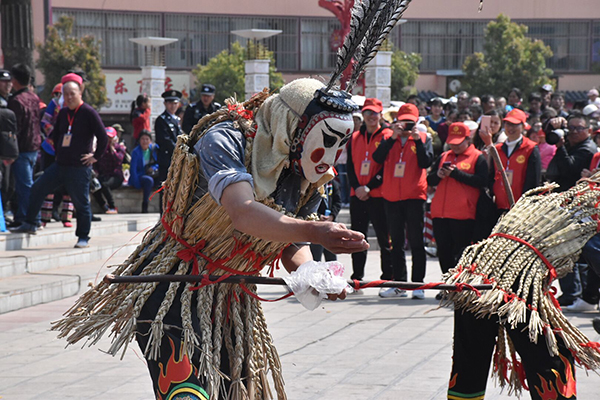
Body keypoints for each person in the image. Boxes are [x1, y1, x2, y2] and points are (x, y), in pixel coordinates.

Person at [11, 73, 108, 248]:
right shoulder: (63, 113)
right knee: (37, 188)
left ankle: (83, 236)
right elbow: (55, 135)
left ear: (80, 93)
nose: (69, 97)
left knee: (81, 203)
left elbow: (103, 137)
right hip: (60, 164)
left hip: (79, 167)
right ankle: (31, 222)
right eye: (66, 94)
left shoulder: (89, 113)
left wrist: (95, 157)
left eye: (72, 93)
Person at [373, 103, 433, 299]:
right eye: (403, 122)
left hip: (415, 196)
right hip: (391, 196)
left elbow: (426, 162)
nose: (406, 126)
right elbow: (377, 158)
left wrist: (417, 141)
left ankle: (418, 285)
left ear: (417, 123)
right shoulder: (388, 137)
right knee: (396, 242)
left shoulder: (423, 138)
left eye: (410, 122)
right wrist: (392, 138)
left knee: (416, 242)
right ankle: (399, 284)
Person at [546, 112, 598, 307]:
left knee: (569, 249)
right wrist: (554, 122)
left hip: (577, 206)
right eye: (571, 128)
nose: (573, 132)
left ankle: (573, 293)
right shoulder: (574, 144)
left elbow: (568, 168)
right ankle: (574, 293)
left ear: (589, 131)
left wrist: (560, 147)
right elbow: (548, 131)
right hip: (567, 203)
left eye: (579, 128)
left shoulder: (587, 149)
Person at [427, 122, 488, 276]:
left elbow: (481, 181)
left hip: (464, 214)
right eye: (452, 143)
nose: (454, 147)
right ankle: (447, 285)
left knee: (461, 252)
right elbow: (430, 180)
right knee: (443, 251)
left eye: (459, 143)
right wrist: (438, 175)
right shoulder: (444, 156)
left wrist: (456, 174)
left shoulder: (477, 157)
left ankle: (460, 285)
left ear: (468, 140)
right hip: (440, 213)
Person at [347, 97, 393, 282]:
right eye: (367, 112)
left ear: (381, 115)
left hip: (378, 194)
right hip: (357, 194)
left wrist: (368, 187)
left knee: (384, 237)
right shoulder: (355, 136)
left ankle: (387, 276)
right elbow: (349, 166)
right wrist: (358, 187)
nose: (371, 116)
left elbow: (386, 167)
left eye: (374, 113)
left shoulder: (388, 136)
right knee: (357, 237)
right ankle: (357, 275)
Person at [6, 63, 42, 228]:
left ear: (14, 80)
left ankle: (32, 219)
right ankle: (23, 217)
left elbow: (16, 128)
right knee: (28, 185)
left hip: (22, 148)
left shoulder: (15, 101)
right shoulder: (34, 98)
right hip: (34, 147)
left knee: (25, 186)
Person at [487, 108, 541, 215]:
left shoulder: (530, 148)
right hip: (499, 206)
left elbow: (533, 180)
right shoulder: (497, 149)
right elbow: (491, 176)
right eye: (508, 124)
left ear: (523, 126)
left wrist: (525, 204)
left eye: (515, 125)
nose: (510, 128)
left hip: (520, 208)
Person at [92, 127, 126, 214]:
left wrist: (112, 150)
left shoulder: (119, 148)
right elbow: (95, 162)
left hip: (115, 176)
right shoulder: (100, 149)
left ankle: (112, 206)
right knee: (93, 186)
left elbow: (118, 160)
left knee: (104, 185)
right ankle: (103, 205)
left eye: (110, 138)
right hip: (103, 175)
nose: (108, 140)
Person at [310, 179, 342, 262]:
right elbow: (308, 204)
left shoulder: (333, 184)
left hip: (330, 224)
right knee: (315, 257)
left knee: (331, 257)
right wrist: (318, 216)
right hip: (317, 225)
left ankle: (332, 274)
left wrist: (332, 216)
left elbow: (337, 202)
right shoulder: (313, 184)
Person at [155, 90, 182, 183]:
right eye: (170, 103)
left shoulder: (177, 119)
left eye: (175, 103)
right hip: (166, 159)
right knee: (165, 187)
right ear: (165, 103)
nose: (173, 106)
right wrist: (178, 149)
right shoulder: (161, 120)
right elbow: (165, 140)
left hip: (177, 159)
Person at [129, 130, 159, 213]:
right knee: (148, 180)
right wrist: (136, 184)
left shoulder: (153, 149)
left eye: (147, 139)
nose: (145, 141)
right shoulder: (136, 152)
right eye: (143, 139)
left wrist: (153, 168)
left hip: (151, 174)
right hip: (140, 175)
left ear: (150, 141)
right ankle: (145, 203)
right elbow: (133, 169)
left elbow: (158, 163)